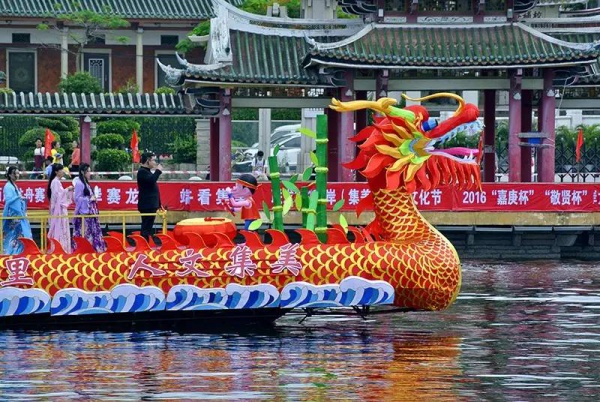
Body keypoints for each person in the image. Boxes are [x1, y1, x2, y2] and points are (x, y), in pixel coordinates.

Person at [72, 163, 106, 252]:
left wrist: (92, 198)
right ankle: (84, 249)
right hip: (84, 214)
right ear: (83, 172)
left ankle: (91, 249)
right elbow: (77, 199)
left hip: (90, 213)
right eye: (88, 172)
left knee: (91, 232)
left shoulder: (85, 183)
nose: (89, 174)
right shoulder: (79, 183)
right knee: (85, 233)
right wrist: (89, 199)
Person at [2, 167, 32, 254]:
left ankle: (19, 253)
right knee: (13, 236)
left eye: (18, 173)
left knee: (19, 235)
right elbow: (9, 201)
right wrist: (18, 198)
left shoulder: (14, 185)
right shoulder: (8, 186)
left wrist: (21, 199)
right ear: (10, 175)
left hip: (18, 215)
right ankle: (11, 254)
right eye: (15, 173)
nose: (17, 175)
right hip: (13, 216)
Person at [47, 164, 73, 253]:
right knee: (60, 229)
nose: (63, 172)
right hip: (58, 211)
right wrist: (67, 189)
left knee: (62, 229)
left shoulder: (56, 182)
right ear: (56, 172)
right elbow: (57, 197)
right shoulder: (55, 182)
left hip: (60, 209)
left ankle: (62, 248)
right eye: (61, 170)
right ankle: (60, 249)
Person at [137, 152, 163, 240]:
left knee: (148, 228)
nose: (154, 162)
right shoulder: (142, 172)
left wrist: (159, 204)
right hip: (147, 205)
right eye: (153, 160)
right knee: (146, 227)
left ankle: (145, 243)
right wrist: (158, 171)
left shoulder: (147, 172)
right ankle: (144, 244)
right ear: (148, 160)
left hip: (151, 205)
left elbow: (153, 188)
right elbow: (152, 180)